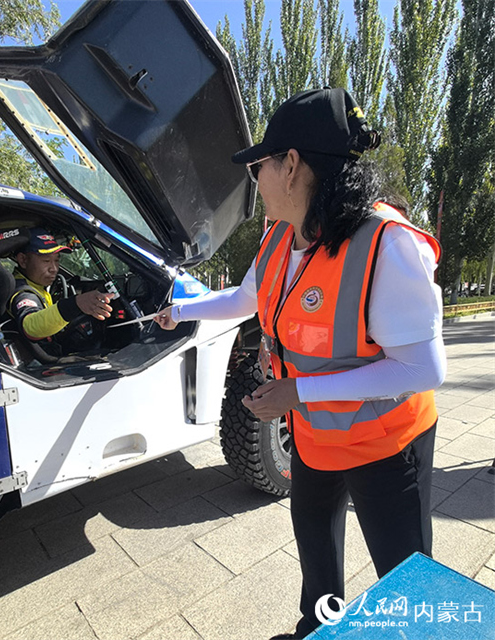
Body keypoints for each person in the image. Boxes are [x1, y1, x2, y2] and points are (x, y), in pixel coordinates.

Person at [154, 88, 445, 639]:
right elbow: (244, 300)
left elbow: (424, 370)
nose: (254, 179)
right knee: (317, 556)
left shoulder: (387, 244)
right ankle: (318, 629)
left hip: (387, 445)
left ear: (291, 166)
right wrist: (182, 310)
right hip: (315, 442)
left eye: (259, 165)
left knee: (404, 578)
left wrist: (297, 393)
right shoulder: (277, 240)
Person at [7, 227, 114, 359]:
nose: (54, 269)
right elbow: (30, 327)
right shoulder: (23, 292)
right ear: (23, 260)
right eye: (46, 261)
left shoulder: (37, 286)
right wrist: (76, 304)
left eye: (57, 260)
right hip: (38, 366)